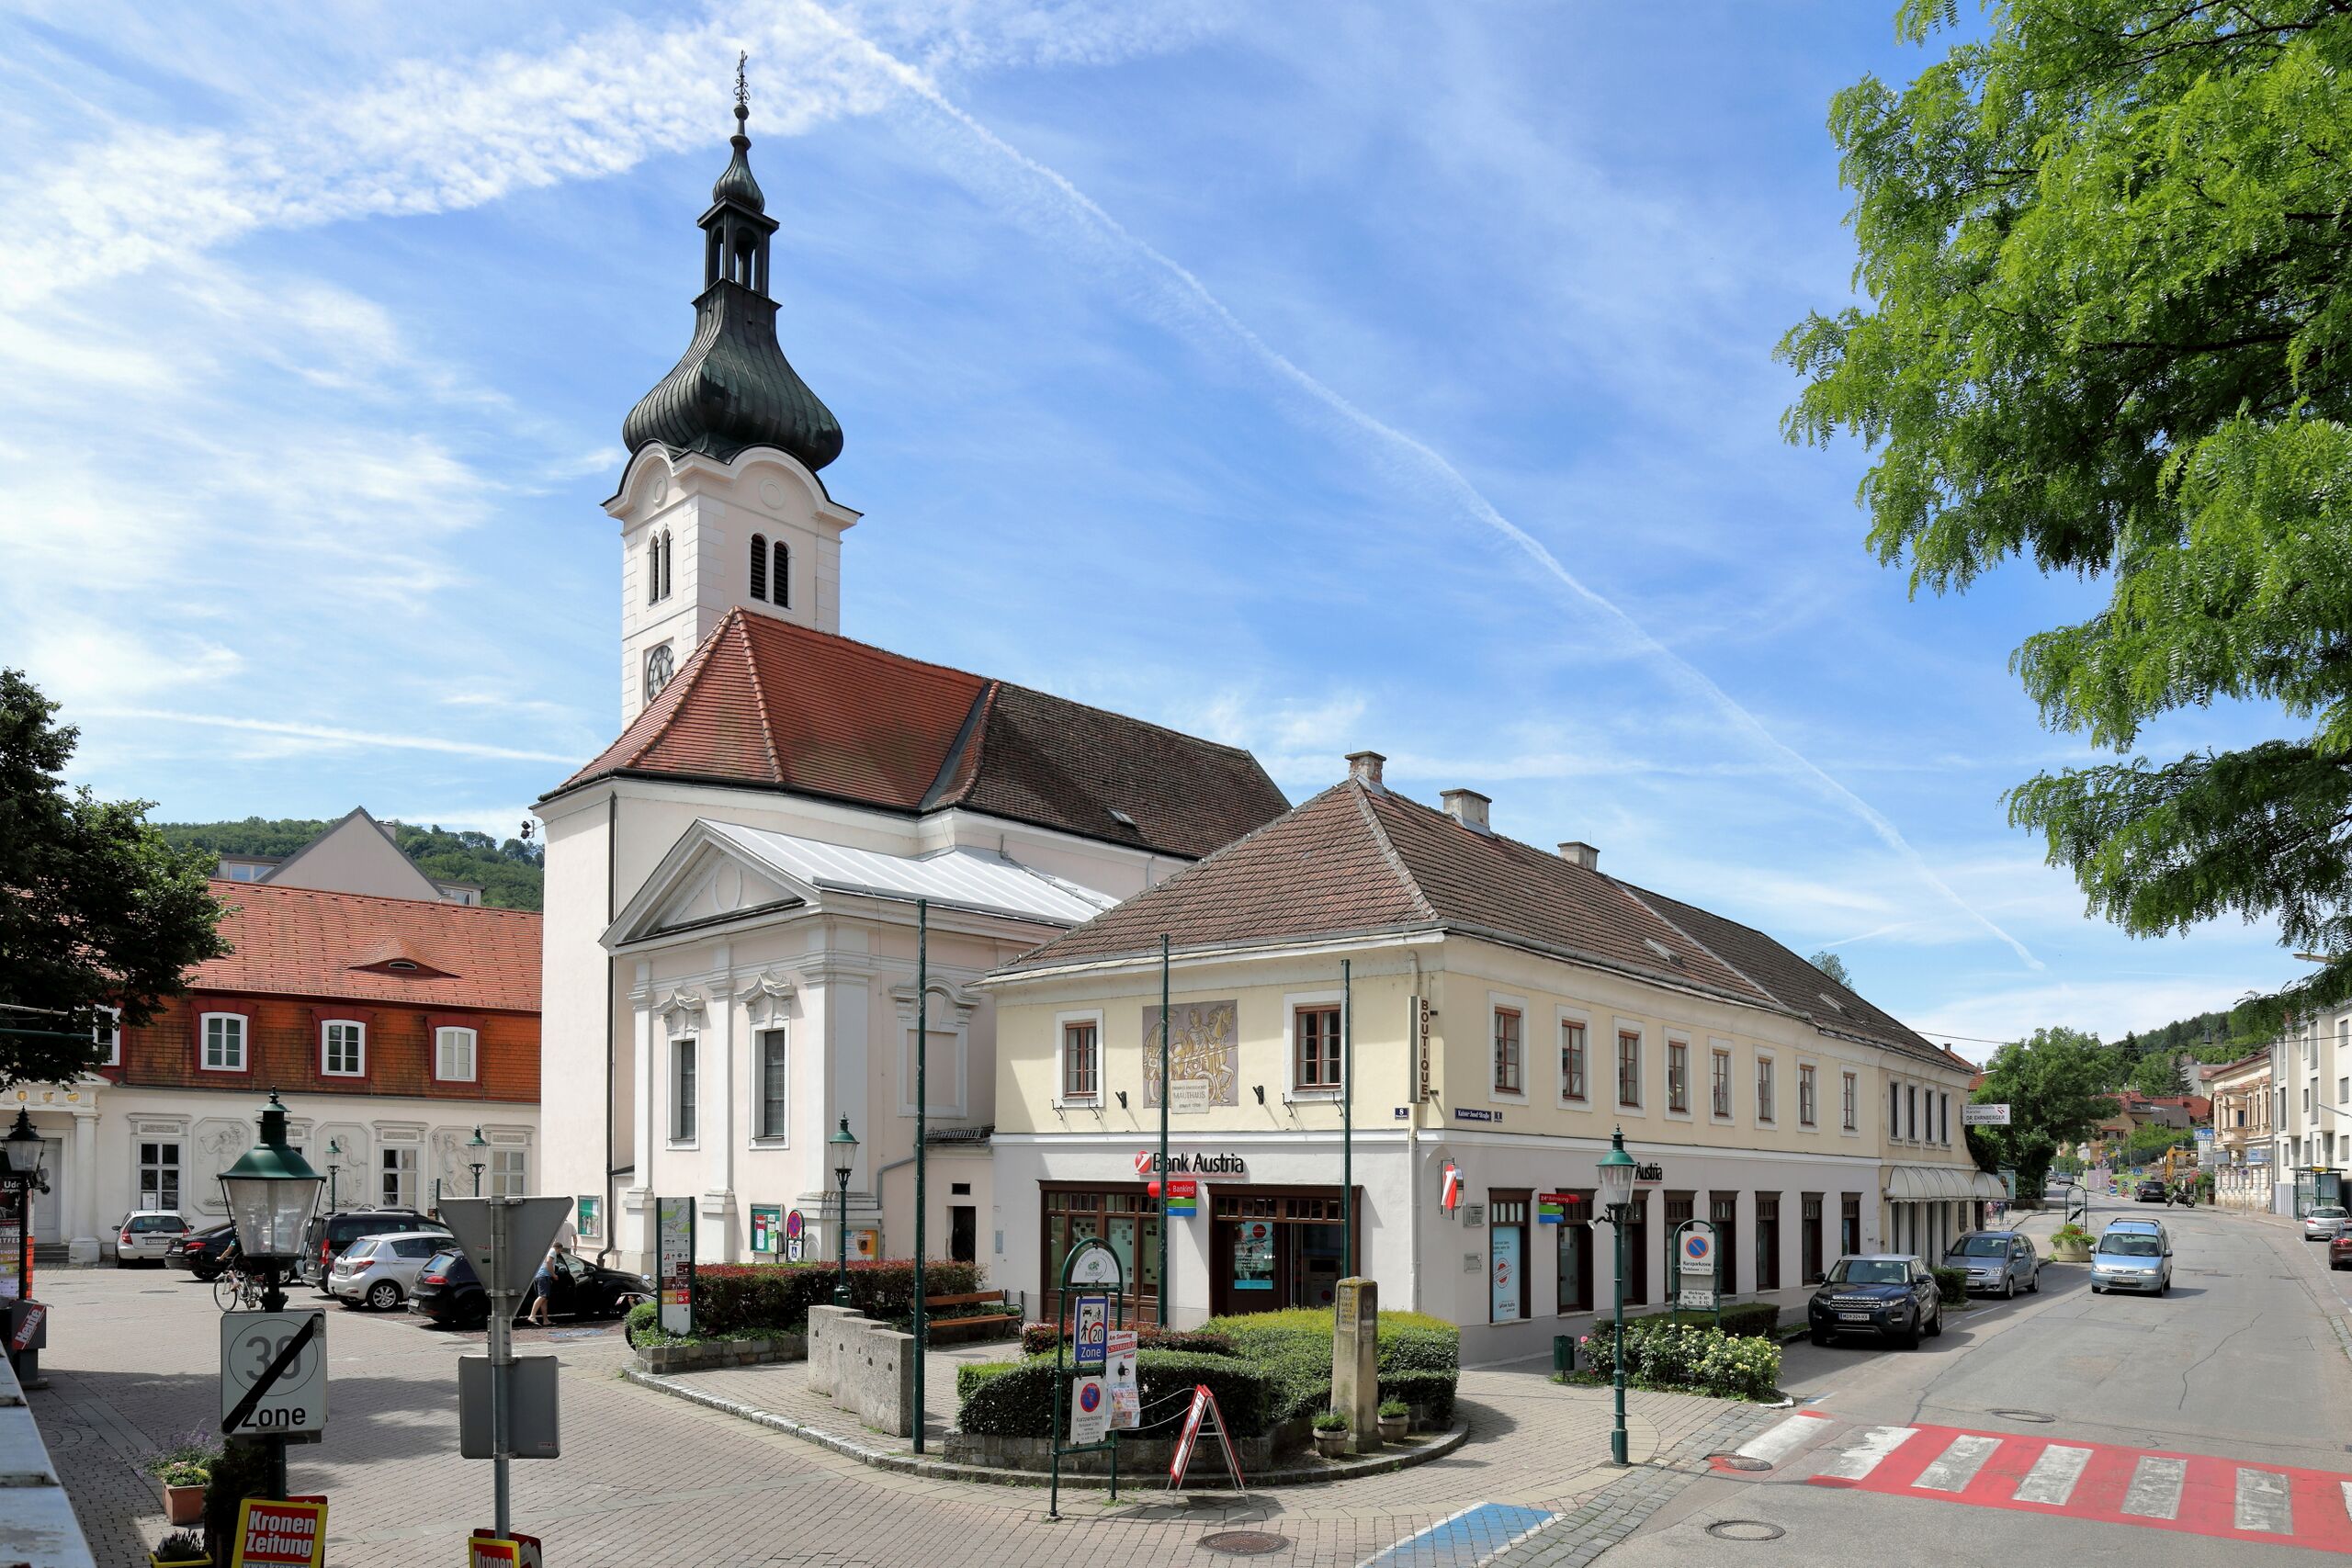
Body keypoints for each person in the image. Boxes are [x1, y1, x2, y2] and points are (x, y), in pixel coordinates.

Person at [526, 1245, 560, 1326]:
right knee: (543, 1296)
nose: (559, 1253)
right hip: (544, 1276)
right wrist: (553, 1274)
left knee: (544, 1300)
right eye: (560, 1251)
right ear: (558, 1248)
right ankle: (532, 1316)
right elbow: (548, 1262)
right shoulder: (552, 1251)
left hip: (540, 1276)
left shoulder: (546, 1251)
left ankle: (545, 1320)